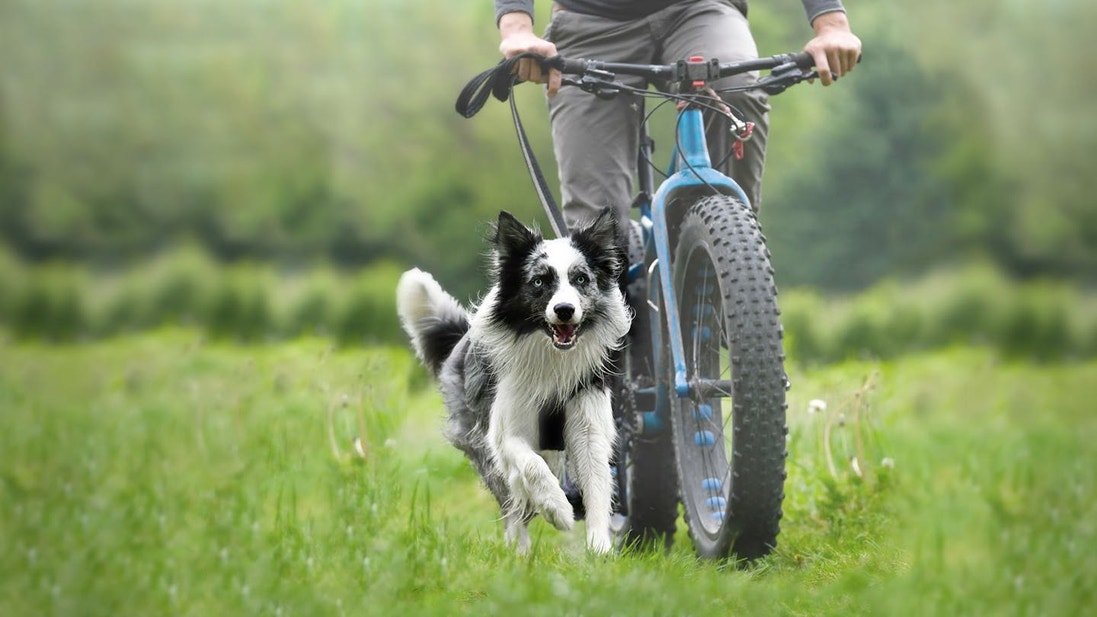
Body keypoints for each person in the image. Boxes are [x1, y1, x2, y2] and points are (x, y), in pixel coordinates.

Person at [492, 0, 862, 228]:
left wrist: (830, 23)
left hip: (701, 11)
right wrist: (517, 28)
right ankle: (605, 343)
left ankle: (727, 265)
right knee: (595, 225)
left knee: (736, 93)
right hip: (591, 24)